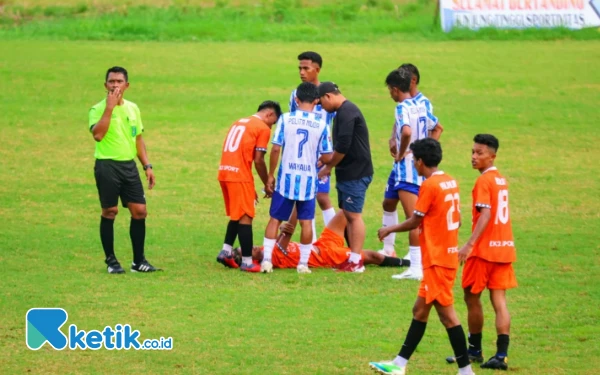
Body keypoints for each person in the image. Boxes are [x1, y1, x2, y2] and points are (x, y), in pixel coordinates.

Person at [369, 138, 475, 375]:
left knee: (448, 317)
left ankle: (466, 370)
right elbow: (458, 220)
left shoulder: (429, 186)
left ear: (419, 161)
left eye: (413, 160)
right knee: (419, 310)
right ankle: (399, 364)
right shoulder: (450, 181)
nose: (413, 165)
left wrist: (388, 229)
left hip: (438, 259)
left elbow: (416, 220)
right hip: (442, 256)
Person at [446, 134, 517, 371]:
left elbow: (486, 215)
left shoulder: (483, 182)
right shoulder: (501, 180)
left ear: (492, 156)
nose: (474, 157)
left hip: (484, 251)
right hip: (504, 249)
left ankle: (474, 350)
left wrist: (469, 245)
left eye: (480, 153)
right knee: (499, 301)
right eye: (473, 152)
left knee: (470, 296)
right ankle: (502, 355)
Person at [88, 66, 160, 274]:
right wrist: (109, 108)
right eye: (111, 81)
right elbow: (98, 135)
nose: (115, 85)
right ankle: (111, 261)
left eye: (119, 81)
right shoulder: (97, 109)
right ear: (105, 85)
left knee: (140, 211)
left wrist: (147, 165)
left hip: (129, 166)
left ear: (126, 85)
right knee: (110, 211)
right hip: (107, 166)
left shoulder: (133, 108)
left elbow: (138, 138)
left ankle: (139, 262)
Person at [261, 82, 333, 274]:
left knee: (275, 219)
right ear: (317, 101)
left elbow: (276, 148)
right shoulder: (322, 124)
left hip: (286, 179)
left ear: (296, 99)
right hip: (308, 181)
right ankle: (302, 264)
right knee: (306, 222)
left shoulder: (285, 119)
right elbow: (327, 156)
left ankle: (267, 260)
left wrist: (270, 175)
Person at [379, 63, 443, 259]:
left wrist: (405, 152)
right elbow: (435, 126)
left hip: (408, 166)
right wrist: (393, 138)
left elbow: (408, 130)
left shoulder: (417, 104)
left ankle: (416, 261)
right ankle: (389, 249)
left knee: (413, 216)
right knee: (388, 202)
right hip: (400, 167)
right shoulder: (417, 105)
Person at [216, 100, 282, 273]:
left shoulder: (239, 121)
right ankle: (246, 262)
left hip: (224, 172)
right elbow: (259, 159)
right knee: (246, 216)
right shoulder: (262, 128)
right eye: (273, 122)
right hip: (239, 175)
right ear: (270, 114)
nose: (271, 127)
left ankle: (226, 251)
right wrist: (267, 180)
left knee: (237, 214)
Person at [317, 82, 374, 273]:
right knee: (348, 213)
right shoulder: (342, 112)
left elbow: (343, 146)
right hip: (348, 172)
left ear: (328, 96)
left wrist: (328, 166)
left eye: (321, 103)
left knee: (353, 216)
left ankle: (356, 261)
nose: (322, 108)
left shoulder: (347, 112)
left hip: (356, 172)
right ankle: (352, 257)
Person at [233, 210, 409, 270]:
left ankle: (351, 251)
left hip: (321, 245)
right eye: (249, 250)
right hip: (326, 256)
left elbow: (284, 236)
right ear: (254, 259)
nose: (253, 247)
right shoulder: (272, 258)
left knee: (347, 212)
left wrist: (282, 230)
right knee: (372, 257)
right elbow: (290, 230)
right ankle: (407, 263)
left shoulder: (268, 249)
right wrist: (297, 201)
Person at [289, 51, 336, 242]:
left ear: (317, 69)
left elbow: (339, 123)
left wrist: (332, 154)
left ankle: (334, 238)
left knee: (322, 197)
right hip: (301, 156)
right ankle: (313, 242)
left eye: (305, 68)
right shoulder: (296, 94)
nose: (301, 72)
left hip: (321, 156)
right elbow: (292, 123)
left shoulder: (329, 93)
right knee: (303, 198)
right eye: (299, 68)